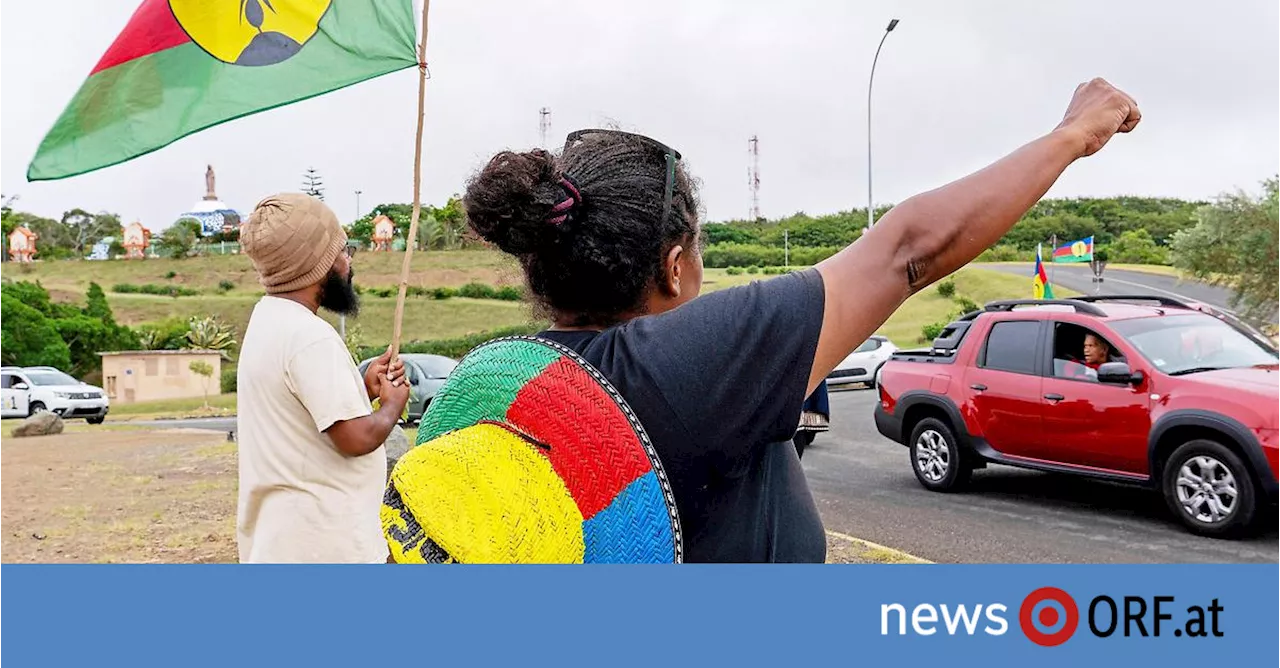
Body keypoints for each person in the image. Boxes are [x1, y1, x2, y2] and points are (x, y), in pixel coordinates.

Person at [462, 78, 1139, 562]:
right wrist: (1073, 136)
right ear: (673, 267)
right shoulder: (679, 369)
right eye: (698, 249)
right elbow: (909, 250)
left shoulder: (506, 384)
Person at [236, 193, 411, 564]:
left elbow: (303, 416)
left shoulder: (268, 319)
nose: (348, 263)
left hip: (283, 541)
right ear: (317, 264)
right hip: (324, 546)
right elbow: (354, 439)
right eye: (343, 252)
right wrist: (392, 406)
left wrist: (362, 389)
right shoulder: (310, 337)